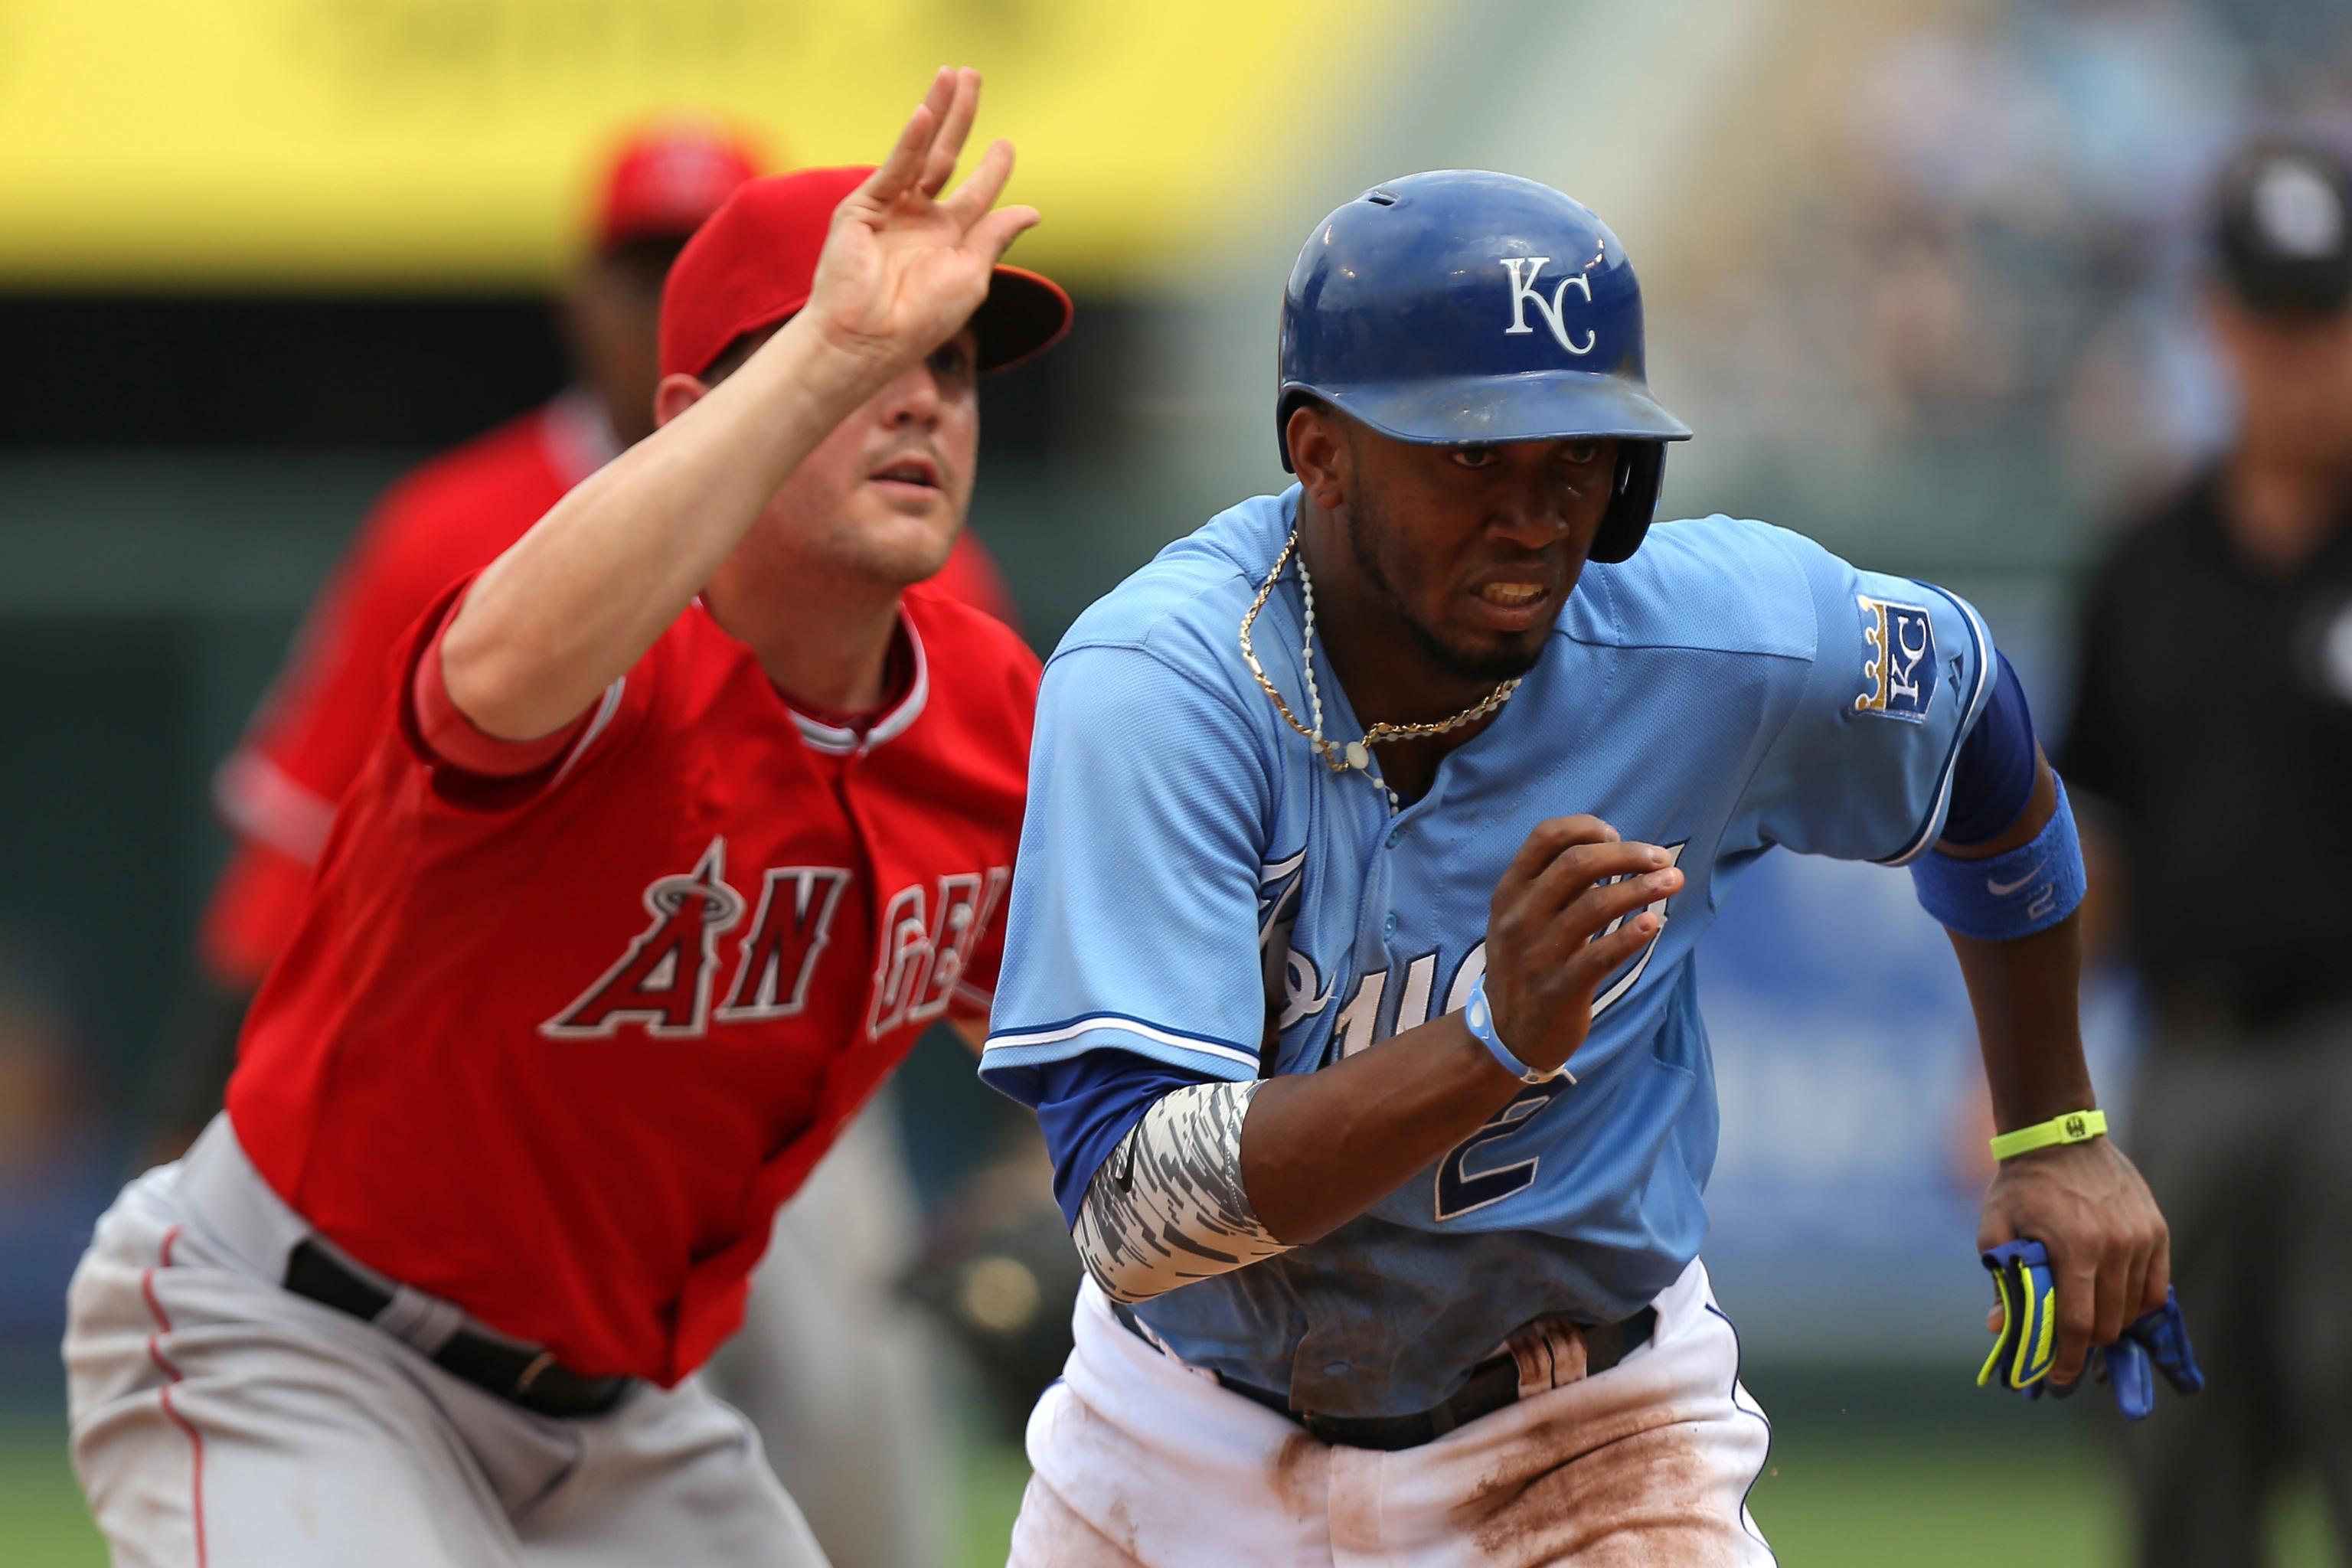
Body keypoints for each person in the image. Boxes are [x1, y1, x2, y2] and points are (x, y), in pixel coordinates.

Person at [978, 169, 2177, 1564]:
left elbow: (1977, 729)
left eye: (1575, 454)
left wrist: (2054, 1132)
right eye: (1470, 456)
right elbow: (1135, 1210)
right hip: (1185, 1428)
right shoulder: (1163, 687)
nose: (1535, 514)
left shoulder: (1719, 639)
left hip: (1583, 1433)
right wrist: (1491, 1042)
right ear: (1320, 452)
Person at [66, 68, 1063, 1566]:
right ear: (690, 403)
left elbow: (1121, 1043)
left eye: (954, 360)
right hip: (304, 1340)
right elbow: (503, 671)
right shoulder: (584, 633)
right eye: (866, 350)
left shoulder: (988, 706)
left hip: (621, 1420)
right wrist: (831, 345)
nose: (919, 387)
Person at [2063, 136, 2352, 1567]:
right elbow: (2092, 837)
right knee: (2176, 1460)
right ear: (2217, 325)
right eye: (2273, 318)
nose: (2298, 356)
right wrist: (2023, 1080)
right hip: (2188, 1060)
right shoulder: (2145, 562)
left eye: (2327, 317)